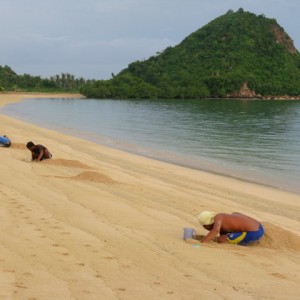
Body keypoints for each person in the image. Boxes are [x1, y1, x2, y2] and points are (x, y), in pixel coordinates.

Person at [198, 211, 264, 245]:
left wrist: (200, 243)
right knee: (224, 237)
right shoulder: (223, 218)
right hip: (259, 227)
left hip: (253, 233)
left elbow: (215, 231)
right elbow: (222, 232)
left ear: (206, 225)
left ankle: (250, 242)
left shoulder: (218, 217)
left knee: (221, 240)